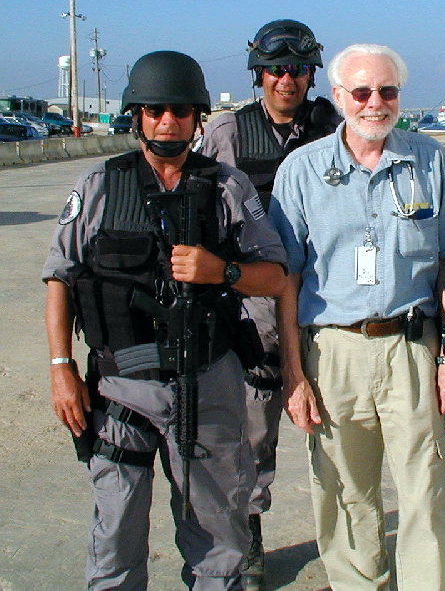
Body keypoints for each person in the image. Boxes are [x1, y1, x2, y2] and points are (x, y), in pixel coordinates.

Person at [43, 50, 287, 591]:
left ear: (197, 117)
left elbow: (274, 275)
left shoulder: (227, 187)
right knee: (116, 534)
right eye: (154, 110)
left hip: (208, 383)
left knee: (218, 539)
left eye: (180, 110)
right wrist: (61, 367)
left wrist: (221, 271)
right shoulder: (99, 186)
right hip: (121, 389)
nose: (167, 121)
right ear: (137, 116)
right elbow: (60, 277)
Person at [269, 43, 445, 591]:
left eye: (387, 90)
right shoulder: (301, 171)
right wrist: (294, 374)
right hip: (334, 352)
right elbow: (286, 281)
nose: (374, 102)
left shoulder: (432, 162)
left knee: (425, 488)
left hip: (412, 347)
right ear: (338, 97)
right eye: (361, 91)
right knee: (344, 491)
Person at [196, 18, 340, 590]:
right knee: (252, 431)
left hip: (324, 297)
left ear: (311, 75)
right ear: (259, 74)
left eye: (298, 69)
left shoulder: (334, 126)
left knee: (340, 423)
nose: (287, 80)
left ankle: (347, 538)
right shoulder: (229, 132)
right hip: (255, 299)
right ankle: (249, 535)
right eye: (276, 69)